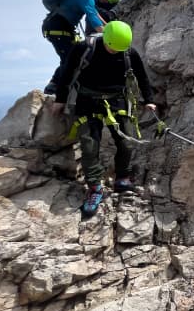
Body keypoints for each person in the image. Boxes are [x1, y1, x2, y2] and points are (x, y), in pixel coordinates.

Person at [50, 21, 156, 215]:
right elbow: (66, 73)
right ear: (105, 38)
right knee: (90, 146)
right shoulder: (84, 48)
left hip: (117, 101)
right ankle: (94, 188)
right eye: (111, 47)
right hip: (86, 100)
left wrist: (149, 100)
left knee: (127, 142)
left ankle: (122, 178)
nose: (114, 51)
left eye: (118, 49)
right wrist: (60, 100)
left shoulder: (128, 52)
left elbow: (142, 76)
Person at [42, 0, 105, 95]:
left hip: (55, 26)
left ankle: (55, 85)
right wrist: (108, 35)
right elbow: (93, 19)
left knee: (71, 57)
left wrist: (108, 26)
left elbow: (94, 13)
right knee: (70, 59)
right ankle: (58, 90)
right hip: (59, 28)